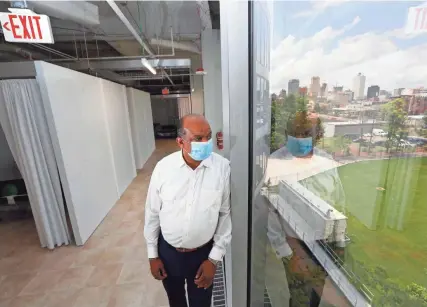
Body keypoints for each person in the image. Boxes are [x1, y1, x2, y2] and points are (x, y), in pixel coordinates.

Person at [144, 114, 231, 307]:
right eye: (198, 138)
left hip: (202, 256)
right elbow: (152, 213)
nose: (205, 142)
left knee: (201, 303)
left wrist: (213, 259)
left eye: (208, 136)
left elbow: (225, 214)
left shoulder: (222, 168)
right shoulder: (163, 168)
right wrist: (153, 255)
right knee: (175, 302)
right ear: (180, 142)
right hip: (168, 253)